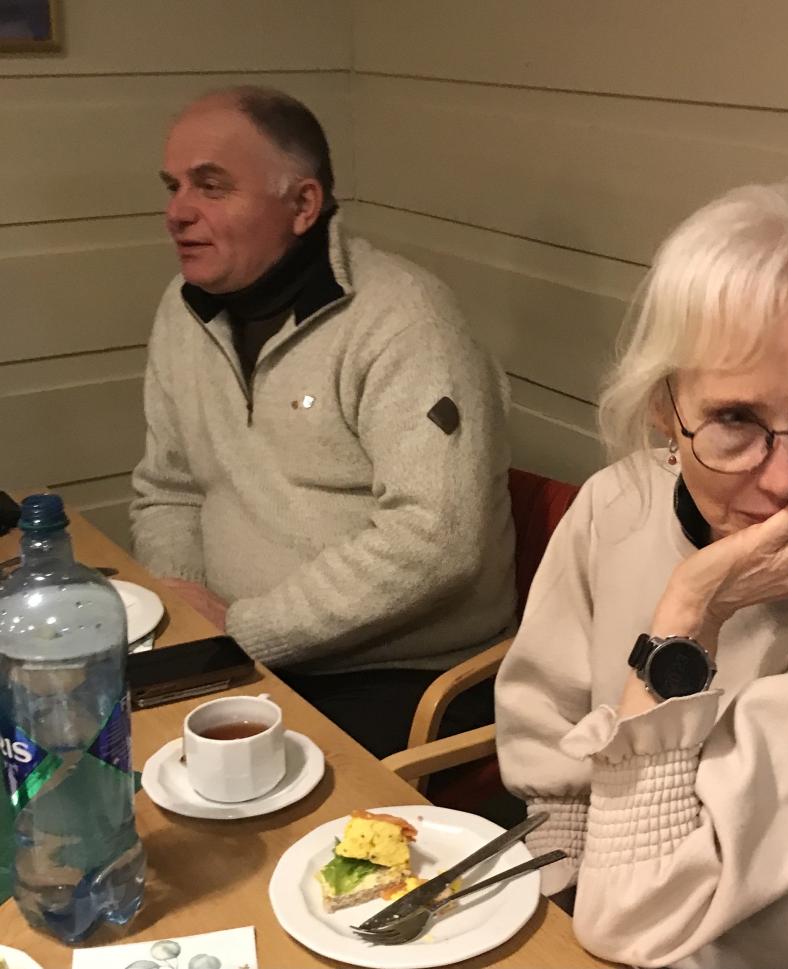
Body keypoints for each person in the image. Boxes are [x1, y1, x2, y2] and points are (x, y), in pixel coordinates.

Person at [496, 184, 788, 968]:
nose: (784, 479)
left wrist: (692, 612)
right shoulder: (617, 506)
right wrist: (553, 907)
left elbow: (635, 917)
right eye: (736, 418)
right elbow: (549, 747)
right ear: (663, 408)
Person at [131, 87, 516, 757]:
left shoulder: (406, 321)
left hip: (402, 676)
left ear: (303, 205)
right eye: (173, 187)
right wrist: (193, 624)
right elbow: (169, 488)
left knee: (196, 793)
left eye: (211, 186)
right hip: (240, 652)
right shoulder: (183, 308)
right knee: (81, 731)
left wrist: (244, 630)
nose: (177, 212)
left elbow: (435, 542)